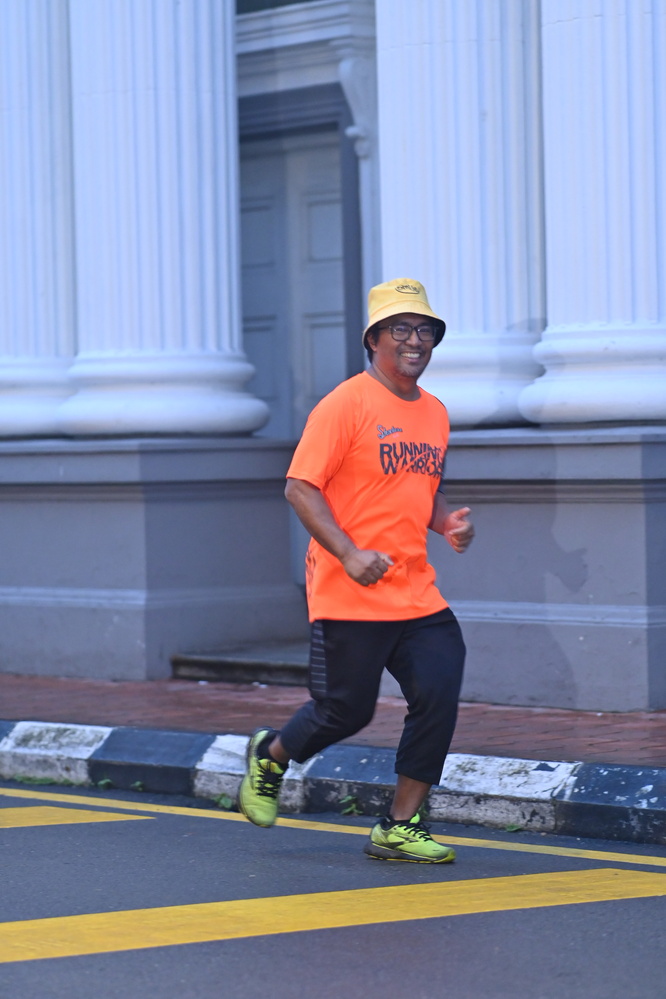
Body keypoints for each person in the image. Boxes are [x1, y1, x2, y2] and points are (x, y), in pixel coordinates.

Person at [238, 277, 474, 863]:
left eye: (425, 330)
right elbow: (300, 488)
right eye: (401, 329)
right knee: (345, 710)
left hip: (414, 589)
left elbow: (422, 488)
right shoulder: (345, 404)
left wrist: (446, 523)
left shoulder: (435, 412)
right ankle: (271, 756)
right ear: (374, 339)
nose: (415, 340)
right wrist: (348, 554)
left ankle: (400, 824)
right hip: (349, 589)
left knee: (439, 690)